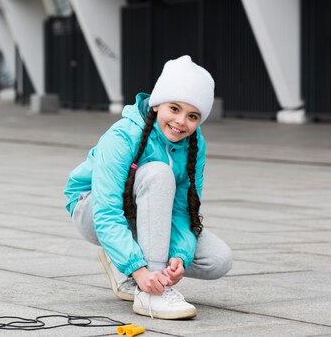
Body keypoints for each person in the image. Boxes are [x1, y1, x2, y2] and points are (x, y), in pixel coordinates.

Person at [64, 55, 232, 320]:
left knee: (218, 260)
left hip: (148, 212)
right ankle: (152, 295)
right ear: (156, 105)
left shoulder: (195, 145)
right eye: (174, 108)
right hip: (92, 209)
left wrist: (179, 256)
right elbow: (106, 211)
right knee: (159, 173)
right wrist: (140, 271)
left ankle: (125, 258)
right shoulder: (122, 135)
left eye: (192, 116)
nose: (180, 122)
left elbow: (183, 211)